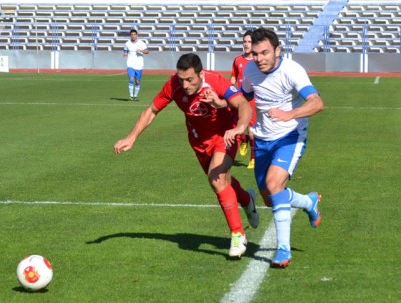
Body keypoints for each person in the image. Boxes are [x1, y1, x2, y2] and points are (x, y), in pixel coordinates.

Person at [114, 53, 259, 258]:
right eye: (182, 79)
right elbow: (152, 111)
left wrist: (240, 127)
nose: (185, 84)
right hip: (198, 141)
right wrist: (132, 137)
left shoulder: (215, 81)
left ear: (200, 74)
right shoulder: (173, 84)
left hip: (224, 135)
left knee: (217, 180)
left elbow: (242, 104)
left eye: (190, 79)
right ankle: (246, 198)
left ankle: (238, 234)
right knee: (221, 179)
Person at [242, 27, 325, 267]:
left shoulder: (292, 70)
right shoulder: (250, 70)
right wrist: (245, 120)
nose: (259, 59)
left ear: (278, 50)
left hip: (291, 136)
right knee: (270, 198)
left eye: (265, 53)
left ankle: (283, 250)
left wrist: (290, 114)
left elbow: (317, 103)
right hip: (262, 138)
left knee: (273, 185)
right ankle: (309, 202)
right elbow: (244, 97)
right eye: (255, 53)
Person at [230, 30, 256, 170]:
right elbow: (233, 77)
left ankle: (253, 158)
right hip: (238, 99)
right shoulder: (237, 60)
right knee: (236, 129)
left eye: (249, 42)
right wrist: (229, 91)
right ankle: (243, 140)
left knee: (252, 131)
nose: (246, 44)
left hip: (252, 100)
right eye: (244, 42)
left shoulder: (257, 61)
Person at [123, 29, 149, 101]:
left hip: (139, 64)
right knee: (131, 79)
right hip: (130, 64)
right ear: (130, 35)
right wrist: (125, 53)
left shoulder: (141, 43)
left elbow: (147, 51)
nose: (133, 36)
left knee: (137, 81)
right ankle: (131, 96)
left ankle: (135, 96)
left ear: (137, 35)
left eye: (135, 34)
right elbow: (125, 50)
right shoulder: (127, 43)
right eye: (132, 34)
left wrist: (141, 51)